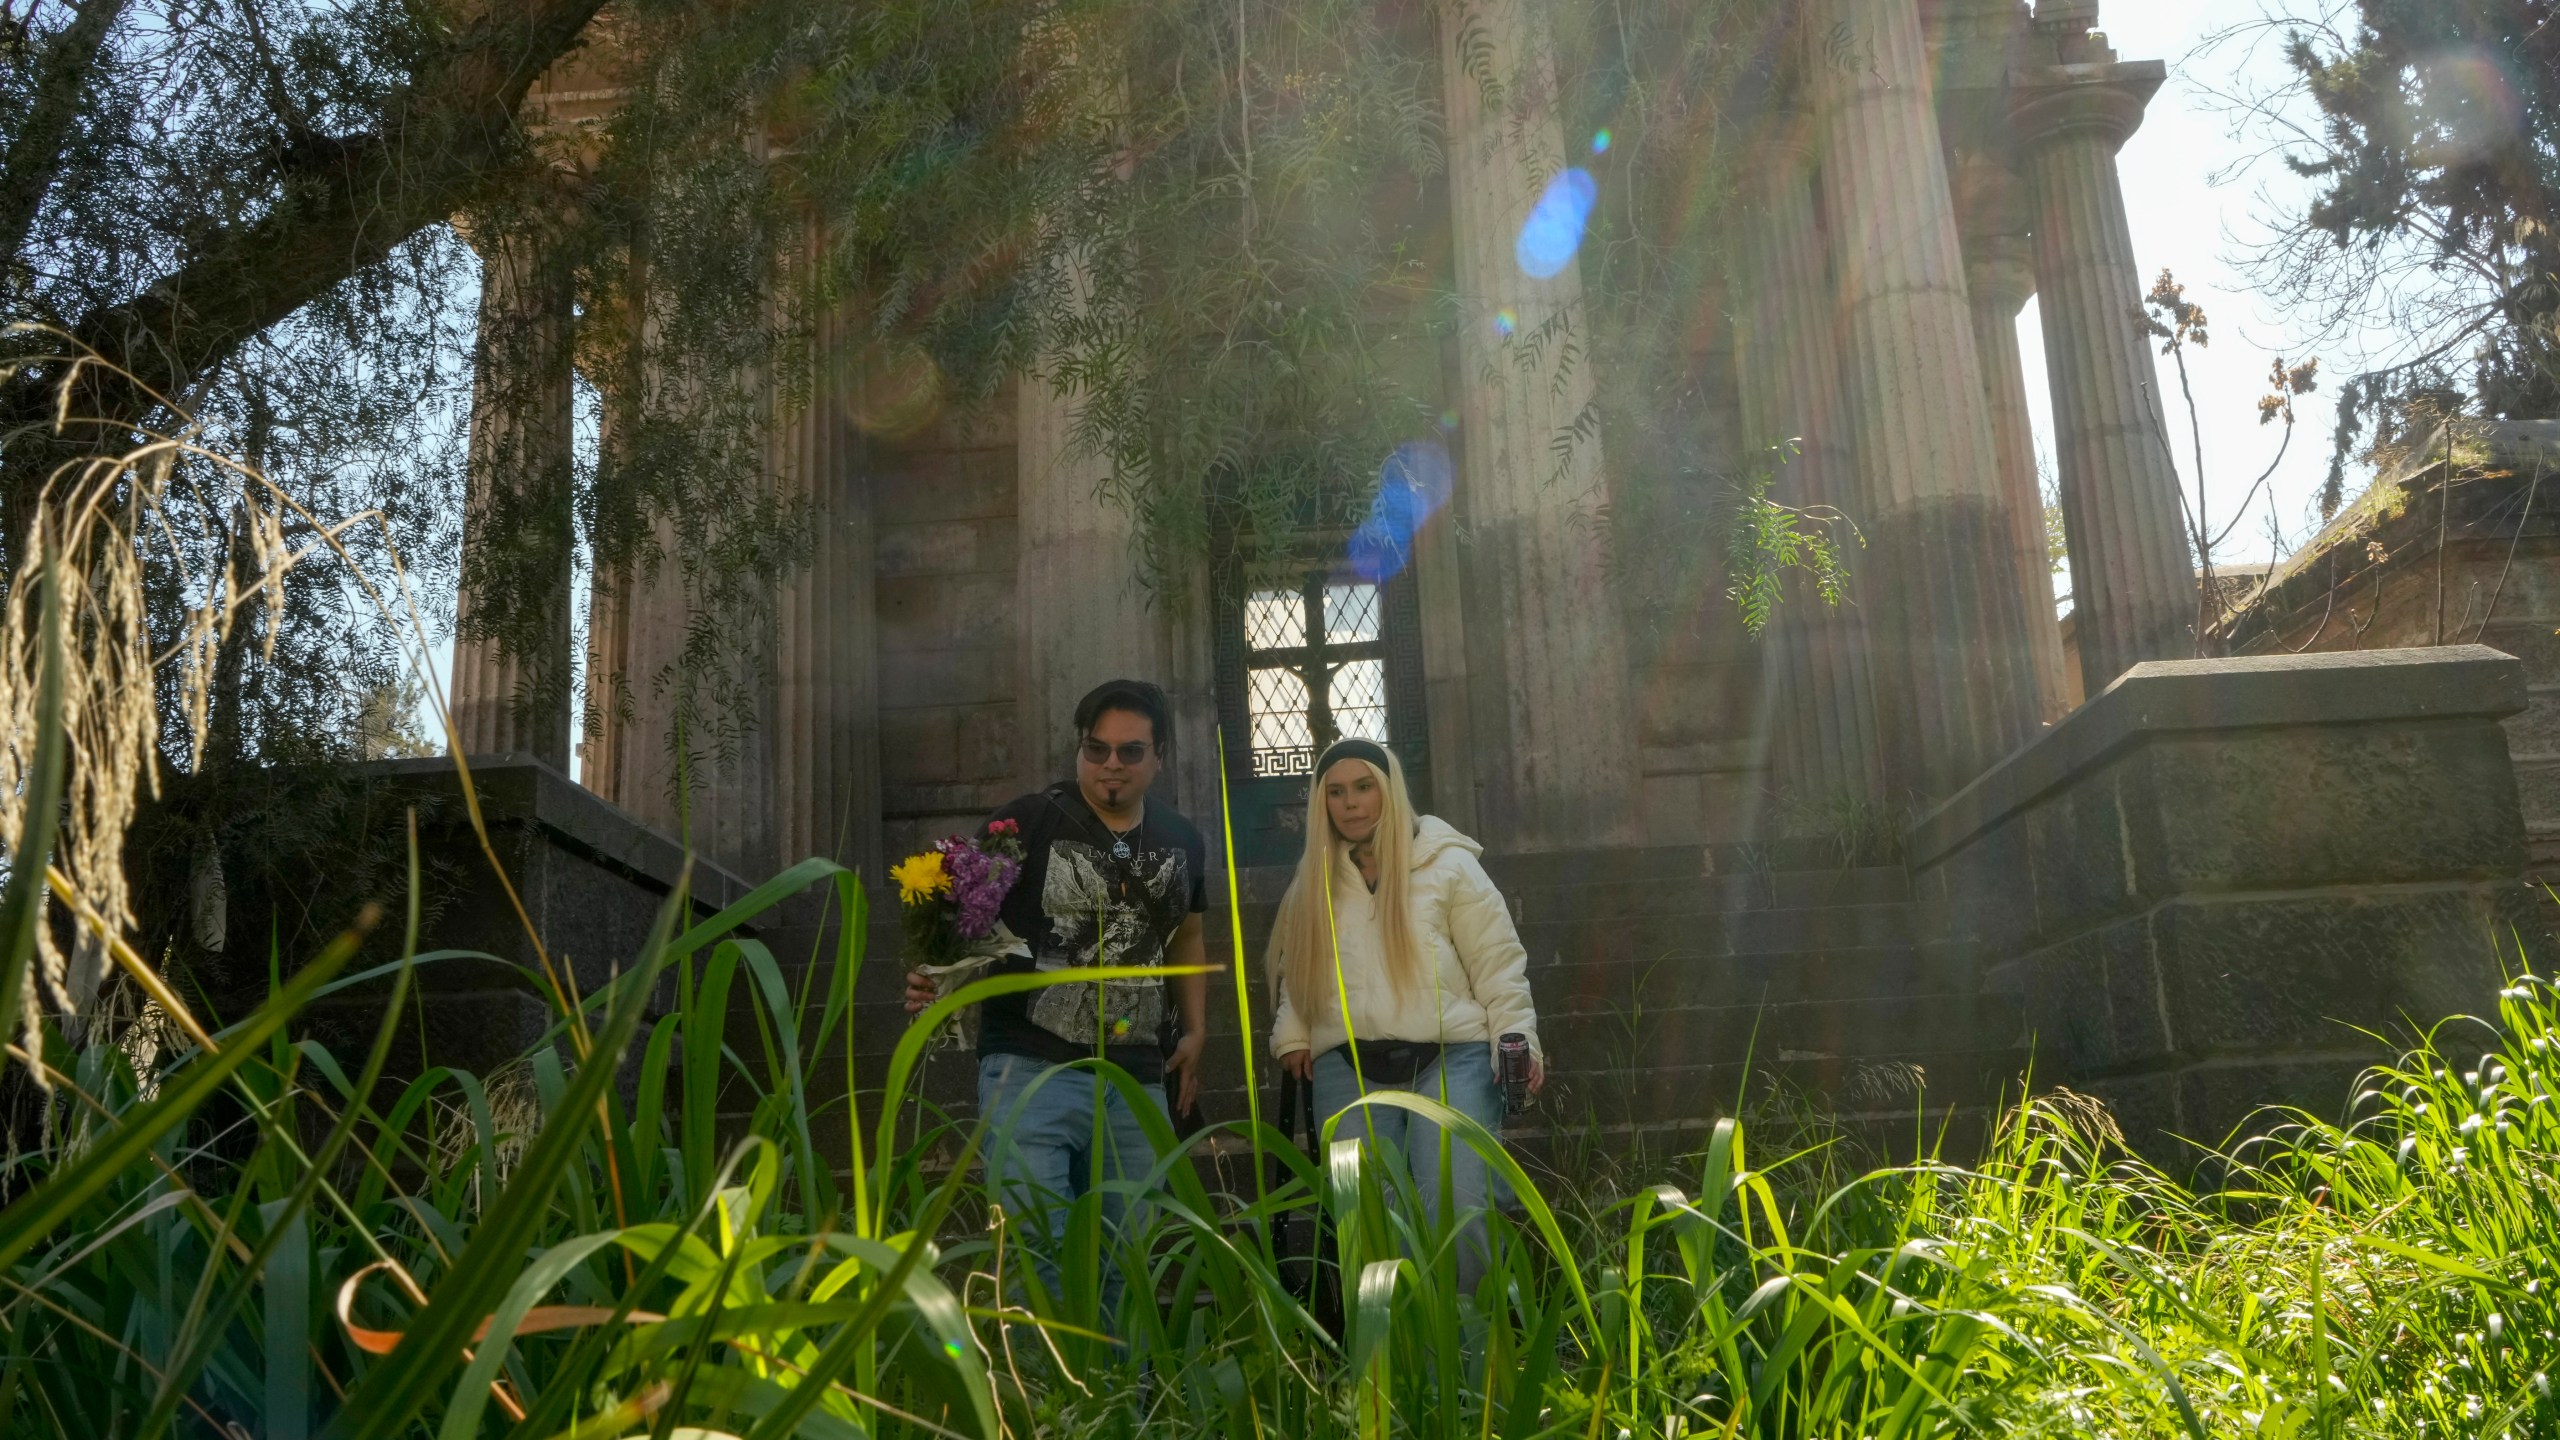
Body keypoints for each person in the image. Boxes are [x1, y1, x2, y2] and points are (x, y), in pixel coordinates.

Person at [903, 678, 1209, 1305]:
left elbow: (1188, 935)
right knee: (1033, 1250)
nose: (1110, 766)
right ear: (1079, 752)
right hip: (1028, 1065)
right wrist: (935, 976)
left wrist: (1197, 1030)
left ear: (1159, 757)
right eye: (1096, 750)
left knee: (1129, 1258)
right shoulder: (1028, 821)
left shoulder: (1183, 840)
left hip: (1135, 1074)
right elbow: (960, 913)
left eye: (1129, 752)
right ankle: (1046, 1397)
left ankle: (1126, 1397)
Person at [1269, 737, 1543, 1291]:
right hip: (1349, 1067)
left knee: (1459, 1204)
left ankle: (1473, 1360)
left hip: (1453, 1058)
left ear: (1389, 789)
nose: (1351, 803)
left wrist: (1517, 1037)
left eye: (1364, 787)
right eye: (1337, 792)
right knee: (1369, 1220)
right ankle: (1390, 1366)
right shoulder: (1314, 880)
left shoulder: (1449, 865)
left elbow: (1497, 961)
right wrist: (1293, 1031)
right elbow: (1301, 967)